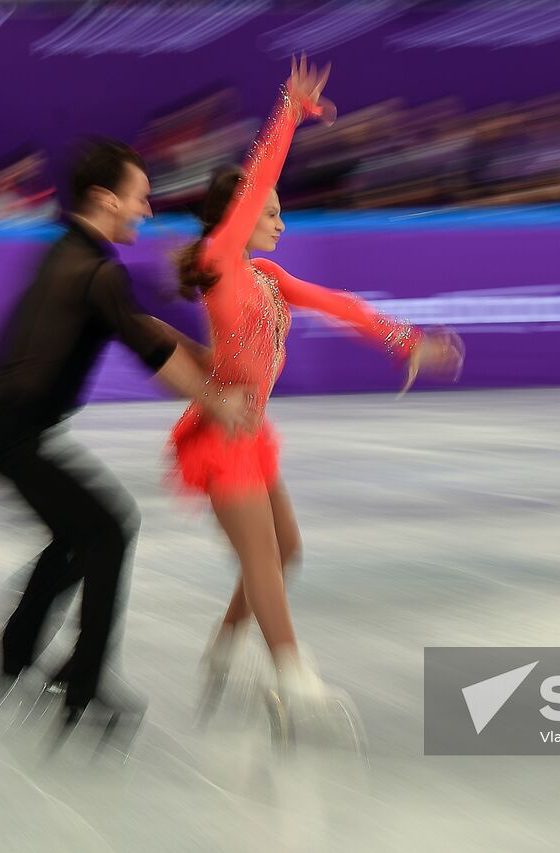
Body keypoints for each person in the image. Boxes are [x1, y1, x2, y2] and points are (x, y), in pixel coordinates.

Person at [170, 57, 464, 710]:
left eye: (279, 211)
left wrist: (405, 340)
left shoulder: (270, 279)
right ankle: (292, 672)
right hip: (221, 432)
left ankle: (224, 644)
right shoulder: (221, 267)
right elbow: (260, 179)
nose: (280, 220)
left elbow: (337, 302)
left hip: (253, 434)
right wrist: (287, 112)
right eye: (269, 211)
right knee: (265, 559)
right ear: (237, 218)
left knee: (287, 550)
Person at [0, 138, 255, 729]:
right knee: (108, 530)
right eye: (140, 199)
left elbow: (136, 324)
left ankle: (16, 655)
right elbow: (147, 350)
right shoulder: (96, 271)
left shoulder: (72, 255)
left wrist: (203, 356)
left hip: (5, 426)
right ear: (106, 200)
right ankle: (84, 683)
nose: (147, 212)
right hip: (15, 432)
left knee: (77, 536)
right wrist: (217, 403)